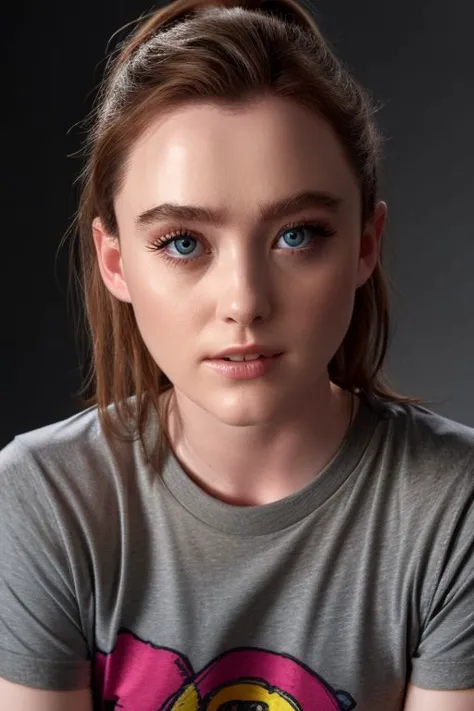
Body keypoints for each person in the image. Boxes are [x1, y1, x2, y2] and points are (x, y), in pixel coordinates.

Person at [1, 0, 473, 708]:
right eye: (183, 242)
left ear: (365, 245)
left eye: (298, 234)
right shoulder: (42, 502)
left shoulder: (453, 512)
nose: (245, 300)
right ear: (115, 261)